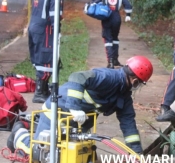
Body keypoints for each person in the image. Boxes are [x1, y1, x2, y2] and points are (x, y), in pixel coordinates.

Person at [7, 56, 153, 155]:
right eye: (140, 83)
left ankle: (31, 123)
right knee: (41, 154)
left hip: (75, 122)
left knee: (76, 156)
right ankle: (19, 135)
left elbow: (128, 123)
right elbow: (78, 77)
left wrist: (136, 153)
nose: (138, 86)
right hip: (58, 110)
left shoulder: (124, 95)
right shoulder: (108, 77)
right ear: (135, 80)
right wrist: (75, 108)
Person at [28, 0, 64, 103]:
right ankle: (39, 92)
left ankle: (42, 89)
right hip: (46, 28)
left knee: (38, 58)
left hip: (34, 25)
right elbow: (55, 13)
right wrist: (57, 31)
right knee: (47, 59)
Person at [91, 0, 133, 69]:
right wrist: (128, 15)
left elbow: (94, 1)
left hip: (107, 17)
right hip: (116, 18)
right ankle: (115, 59)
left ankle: (110, 62)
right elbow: (128, 5)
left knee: (107, 39)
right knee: (115, 39)